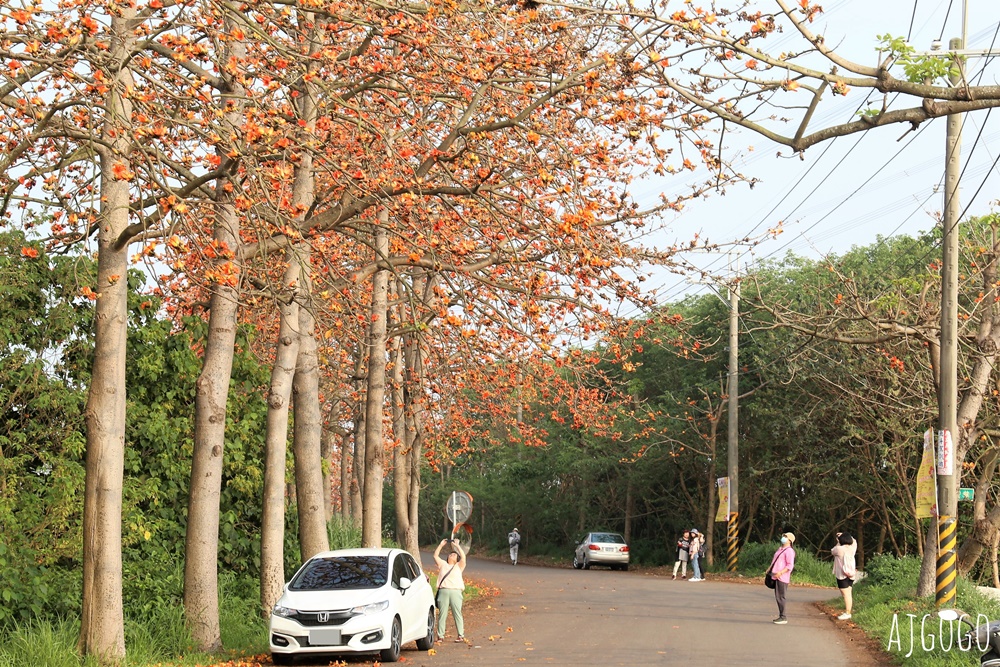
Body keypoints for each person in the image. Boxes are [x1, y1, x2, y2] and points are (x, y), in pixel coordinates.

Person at [433, 539, 468, 642]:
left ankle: (460, 635)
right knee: (442, 614)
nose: (451, 555)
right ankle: (440, 636)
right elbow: (435, 556)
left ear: (457, 559)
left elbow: (464, 557)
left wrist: (457, 546)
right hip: (443, 591)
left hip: (456, 592)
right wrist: (441, 545)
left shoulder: (458, 566)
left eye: (454, 555)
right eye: (450, 554)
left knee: (457, 613)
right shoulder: (443, 564)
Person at [768, 532, 796, 624]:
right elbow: (774, 561)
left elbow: (790, 566)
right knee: (778, 596)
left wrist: (780, 573)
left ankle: (783, 617)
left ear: (790, 540)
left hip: (782, 577)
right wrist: (769, 569)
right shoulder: (780, 549)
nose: (783, 538)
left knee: (781, 597)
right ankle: (781, 616)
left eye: (785, 537)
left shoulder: (789, 551)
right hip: (775, 575)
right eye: (783, 536)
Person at [831, 531, 858, 620]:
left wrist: (839, 541)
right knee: (848, 594)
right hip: (851, 574)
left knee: (845, 594)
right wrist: (847, 535)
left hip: (842, 575)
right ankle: (848, 611)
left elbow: (832, 551)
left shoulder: (839, 549)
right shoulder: (852, 548)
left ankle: (848, 612)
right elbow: (854, 541)